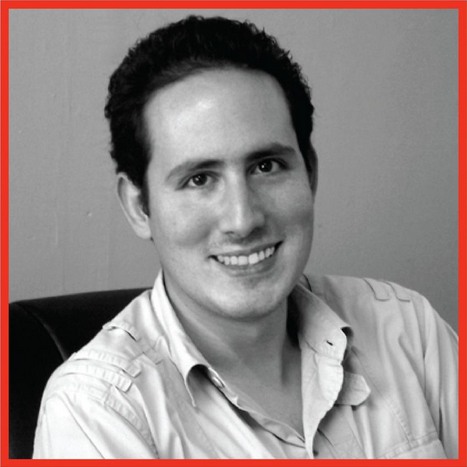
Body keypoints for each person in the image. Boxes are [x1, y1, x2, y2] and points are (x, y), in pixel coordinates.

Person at [33, 15, 458, 459]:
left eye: (266, 166)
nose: (243, 219)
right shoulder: (96, 413)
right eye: (199, 179)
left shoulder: (409, 332)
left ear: (310, 174)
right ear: (140, 207)